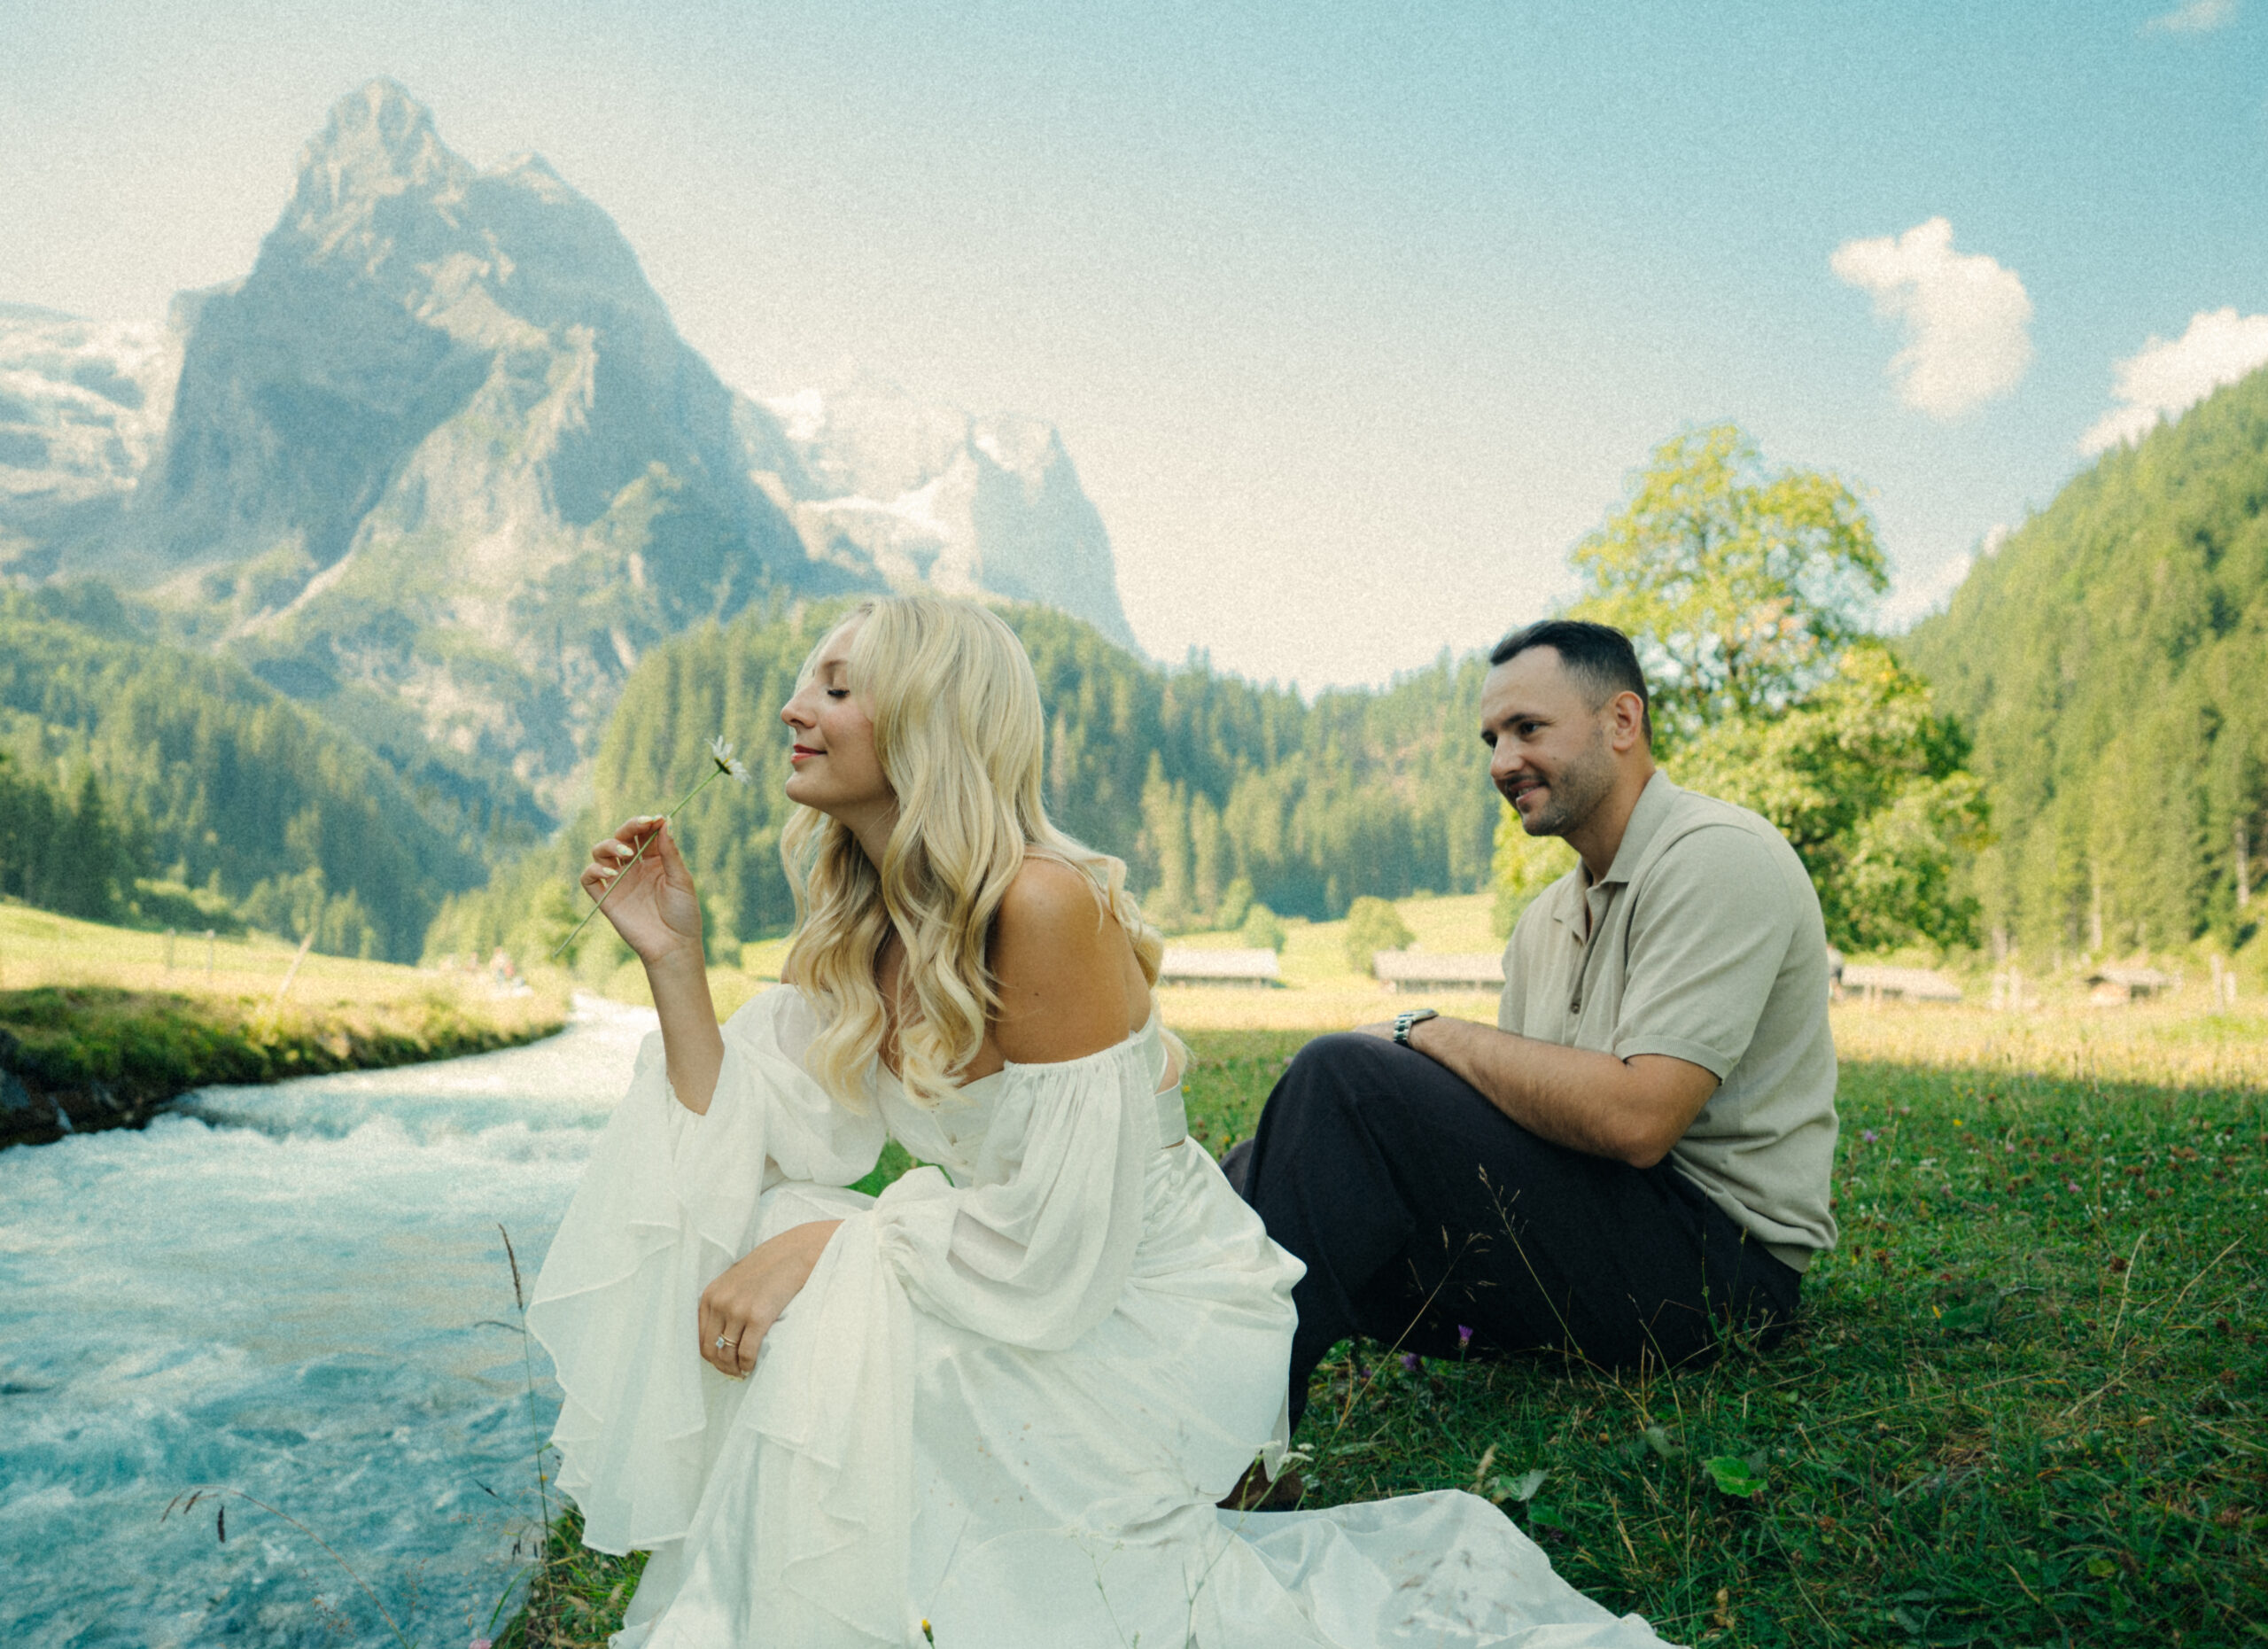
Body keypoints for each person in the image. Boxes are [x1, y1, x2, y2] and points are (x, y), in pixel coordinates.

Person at [528, 596, 1671, 1648]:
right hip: (1025, 1269)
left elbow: (1065, 1247)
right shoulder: (862, 926)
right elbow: (744, 1139)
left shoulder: (1042, 903)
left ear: (929, 716)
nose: (792, 707)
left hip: (1142, 1309)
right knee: (772, 1225)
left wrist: (839, 1242)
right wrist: (673, 958)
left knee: (827, 1282)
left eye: (834, 687)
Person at [1227, 618, 1837, 1435]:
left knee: (1341, 1078)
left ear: (1622, 722)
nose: (1500, 762)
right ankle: (1167, 1376)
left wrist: (1421, 1028)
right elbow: (1515, 1121)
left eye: (1527, 729)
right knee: (1273, 1166)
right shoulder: (1546, 919)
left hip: (1719, 1268)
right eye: (1490, 738)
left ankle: (1234, 1438)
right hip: (1604, 1222)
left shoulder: (1716, 857)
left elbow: (1638, 1118)